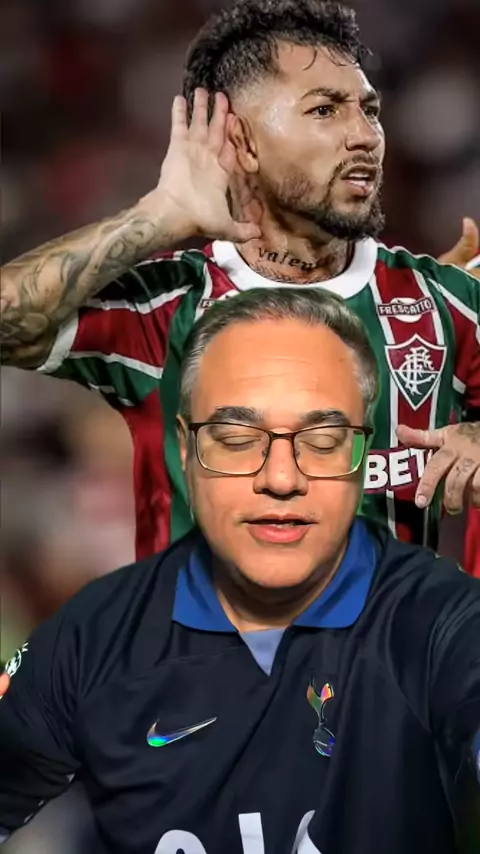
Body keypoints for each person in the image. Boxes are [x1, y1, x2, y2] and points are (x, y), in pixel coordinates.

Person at [0, 288, 479, 853]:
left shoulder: (443, 626)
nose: (281, 477)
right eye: (236, 440)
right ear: (185, 451)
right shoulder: (94, 637)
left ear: (364, 456)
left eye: (322, 440)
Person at [1, 0, 479, 560]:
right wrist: (157, 216)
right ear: (242, 141)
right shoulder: (167, 309)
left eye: (369, 110)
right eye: (325, 110)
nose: (365, 136)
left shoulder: (442, 304)